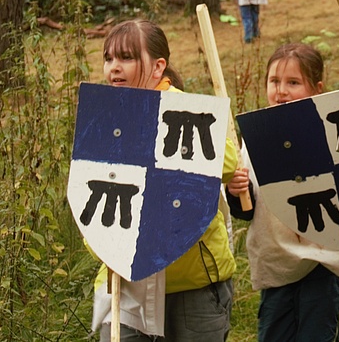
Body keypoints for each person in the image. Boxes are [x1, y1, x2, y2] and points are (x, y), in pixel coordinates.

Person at [93, 19, 238, 341]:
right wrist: (103, 249)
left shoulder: (185, 112)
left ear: (158, 67)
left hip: (192, 286)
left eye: (127, 57)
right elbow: (89, 199)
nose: (115, 68)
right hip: (126, 284)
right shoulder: (102, 121)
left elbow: (228, 163)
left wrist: (156, 122)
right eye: (109, 58)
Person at [226, 43, 339, 342]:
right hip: (276, 264)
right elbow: (246, 209)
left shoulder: (330, 134)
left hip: (322, 263)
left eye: (293, 83)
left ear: (316, 89)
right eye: (274, 82)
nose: (281, 91)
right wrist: (235, 190)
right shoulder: (257, 138)